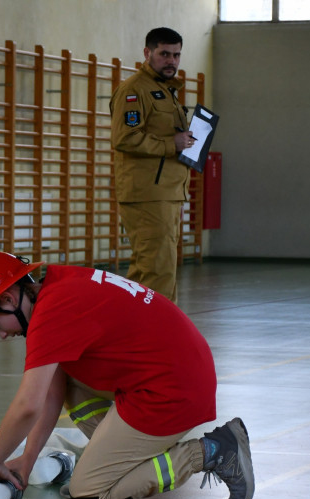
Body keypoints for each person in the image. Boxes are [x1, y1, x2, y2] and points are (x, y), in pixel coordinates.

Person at [0, 249, 253, 499]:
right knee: (65, 376)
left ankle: (212, 451)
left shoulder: (51, 314)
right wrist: (27, 460)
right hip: (175, 374)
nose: (2, 335)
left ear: (7, 298)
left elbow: (28, 405)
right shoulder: (57, 285)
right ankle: (114, 463)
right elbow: (51, 394)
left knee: (90, 493)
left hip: (171, 392)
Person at [110, 26, 193, 303]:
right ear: (148, 53)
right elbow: (125, 137)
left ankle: (142, 334)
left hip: (167, 193)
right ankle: (152, 338)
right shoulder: (135, 90)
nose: (172, 61)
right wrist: (173, 144)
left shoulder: (165, 91)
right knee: (155, 270)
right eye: (164, 54)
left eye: (177, 55)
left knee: (158, 269)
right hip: (148, 194)